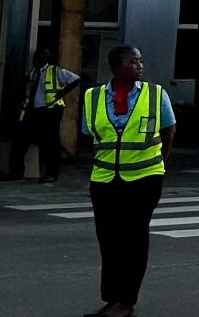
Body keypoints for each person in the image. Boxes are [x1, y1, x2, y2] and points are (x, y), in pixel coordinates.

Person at [82, 45, 175, 317]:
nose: (141, 66)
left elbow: (169, 131)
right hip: (104, 178)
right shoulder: (93, 96)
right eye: (134, 62)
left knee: (133, 239)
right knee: (108, 240)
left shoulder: (156, 95)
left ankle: (126, 301)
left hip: (144, 179)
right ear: (118, 66)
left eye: (141, 61)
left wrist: (159, 164)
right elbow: (92, 134)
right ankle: (112, 298)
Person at [4, 47, 81, 182]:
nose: (36, 61)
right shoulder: (32, 72)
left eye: (40, 58)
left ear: (46, 60)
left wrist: (62, 93)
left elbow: (76, 79)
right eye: (35, 58)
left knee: (51, 142)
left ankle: (51, 173)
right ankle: (16, 171)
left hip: (50, 109)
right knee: (20, 140)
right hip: (32, 109)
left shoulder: (55, 71)